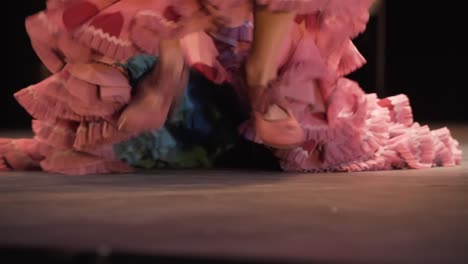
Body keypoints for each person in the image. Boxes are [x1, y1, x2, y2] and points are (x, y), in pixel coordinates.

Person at [0, 0, 462, 174]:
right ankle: (169, 83)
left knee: (293, 123)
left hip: (257, 45)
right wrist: (165, 71)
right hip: (192, 50)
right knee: (133, 100)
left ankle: (264, 83)